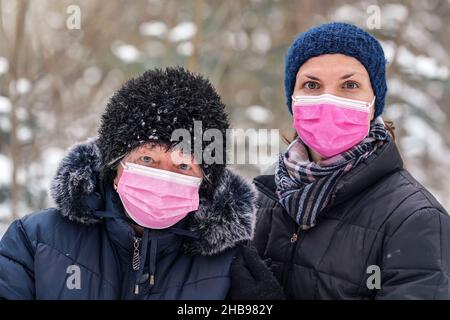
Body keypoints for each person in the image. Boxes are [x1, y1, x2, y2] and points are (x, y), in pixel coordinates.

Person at [0, 67, 283, 300]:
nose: (163, 175)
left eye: (183, 165)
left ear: (204, 183)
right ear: (115, 167)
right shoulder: (35, 242)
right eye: (147, 158)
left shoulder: (232, 269)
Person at [251, 22, 450, 299]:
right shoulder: (265, 198)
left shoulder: (415, 220)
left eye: (349, 85)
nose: (329, 99)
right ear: (293, 100)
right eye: (311, 84)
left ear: (373, 102)